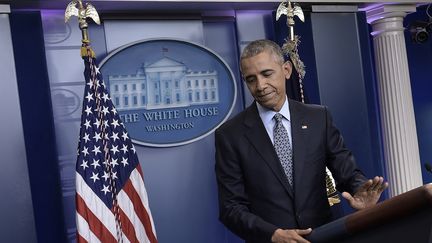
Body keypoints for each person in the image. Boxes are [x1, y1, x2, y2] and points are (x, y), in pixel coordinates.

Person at [214, 39, 388, 243]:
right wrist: (271, 234)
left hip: (324, 236)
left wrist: (359, 190)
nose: (260, 86)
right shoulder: (230, 135)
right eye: (251, 79)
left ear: (286, 70)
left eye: (267, 74)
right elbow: (230, 208)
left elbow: (346, 171)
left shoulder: (318, 117)